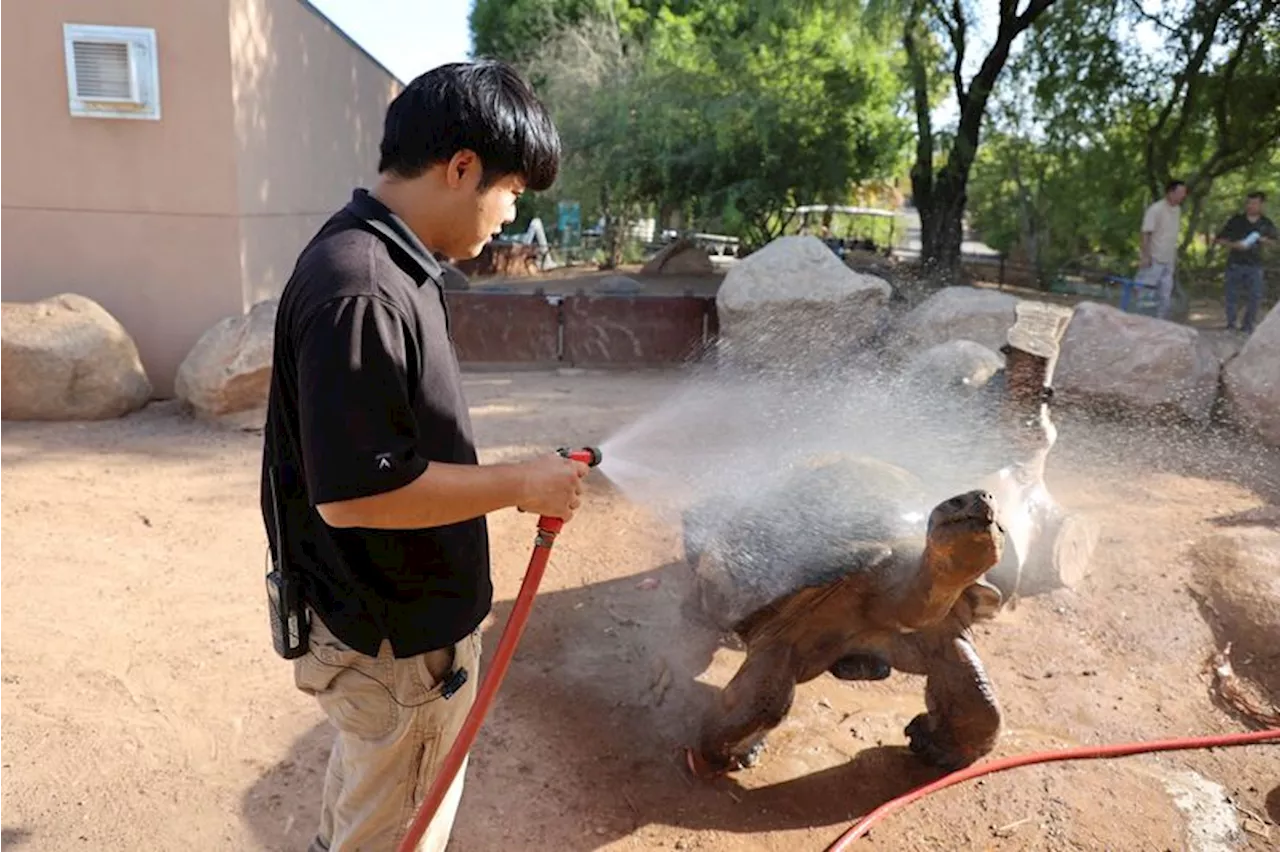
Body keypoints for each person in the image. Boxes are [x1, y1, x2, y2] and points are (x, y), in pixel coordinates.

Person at [259, 61, 588, 852]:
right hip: (396, 650)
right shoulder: (363, 288)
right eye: (511, 192)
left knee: (364, 805)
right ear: (462, 168)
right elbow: (358, 495)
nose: (510, 216)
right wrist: (520, 483)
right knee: (393, 832)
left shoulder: (384, 263)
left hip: (384, 640)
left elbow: (386, 453)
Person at [1213, 191, 1277, 333]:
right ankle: (1231, 325)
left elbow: (1275, 242)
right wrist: (1235, 245)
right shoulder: (1236, 220)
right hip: (1235, 263)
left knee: (1255, 297)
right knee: (1232, 296)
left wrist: (1263, 240)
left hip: (1255, 265)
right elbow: (1219, 239)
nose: (1251, 206)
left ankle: (1247, 327)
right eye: (1248, 203)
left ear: (1262, 205)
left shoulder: (1266, 223)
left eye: (1255, 203)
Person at [1138, 179, 1187, 320]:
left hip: (1169, 258)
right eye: (1180, 193)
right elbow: (1145, 232)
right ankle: (1142, 320)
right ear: (1170, 192)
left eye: (1184, 193)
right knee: (1147, 293)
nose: (1182, 196)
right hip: (1154, 257)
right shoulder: (1156, 209)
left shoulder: (1177, 210)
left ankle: (1160, 322)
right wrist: (1145, 256)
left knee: (1165, 295)